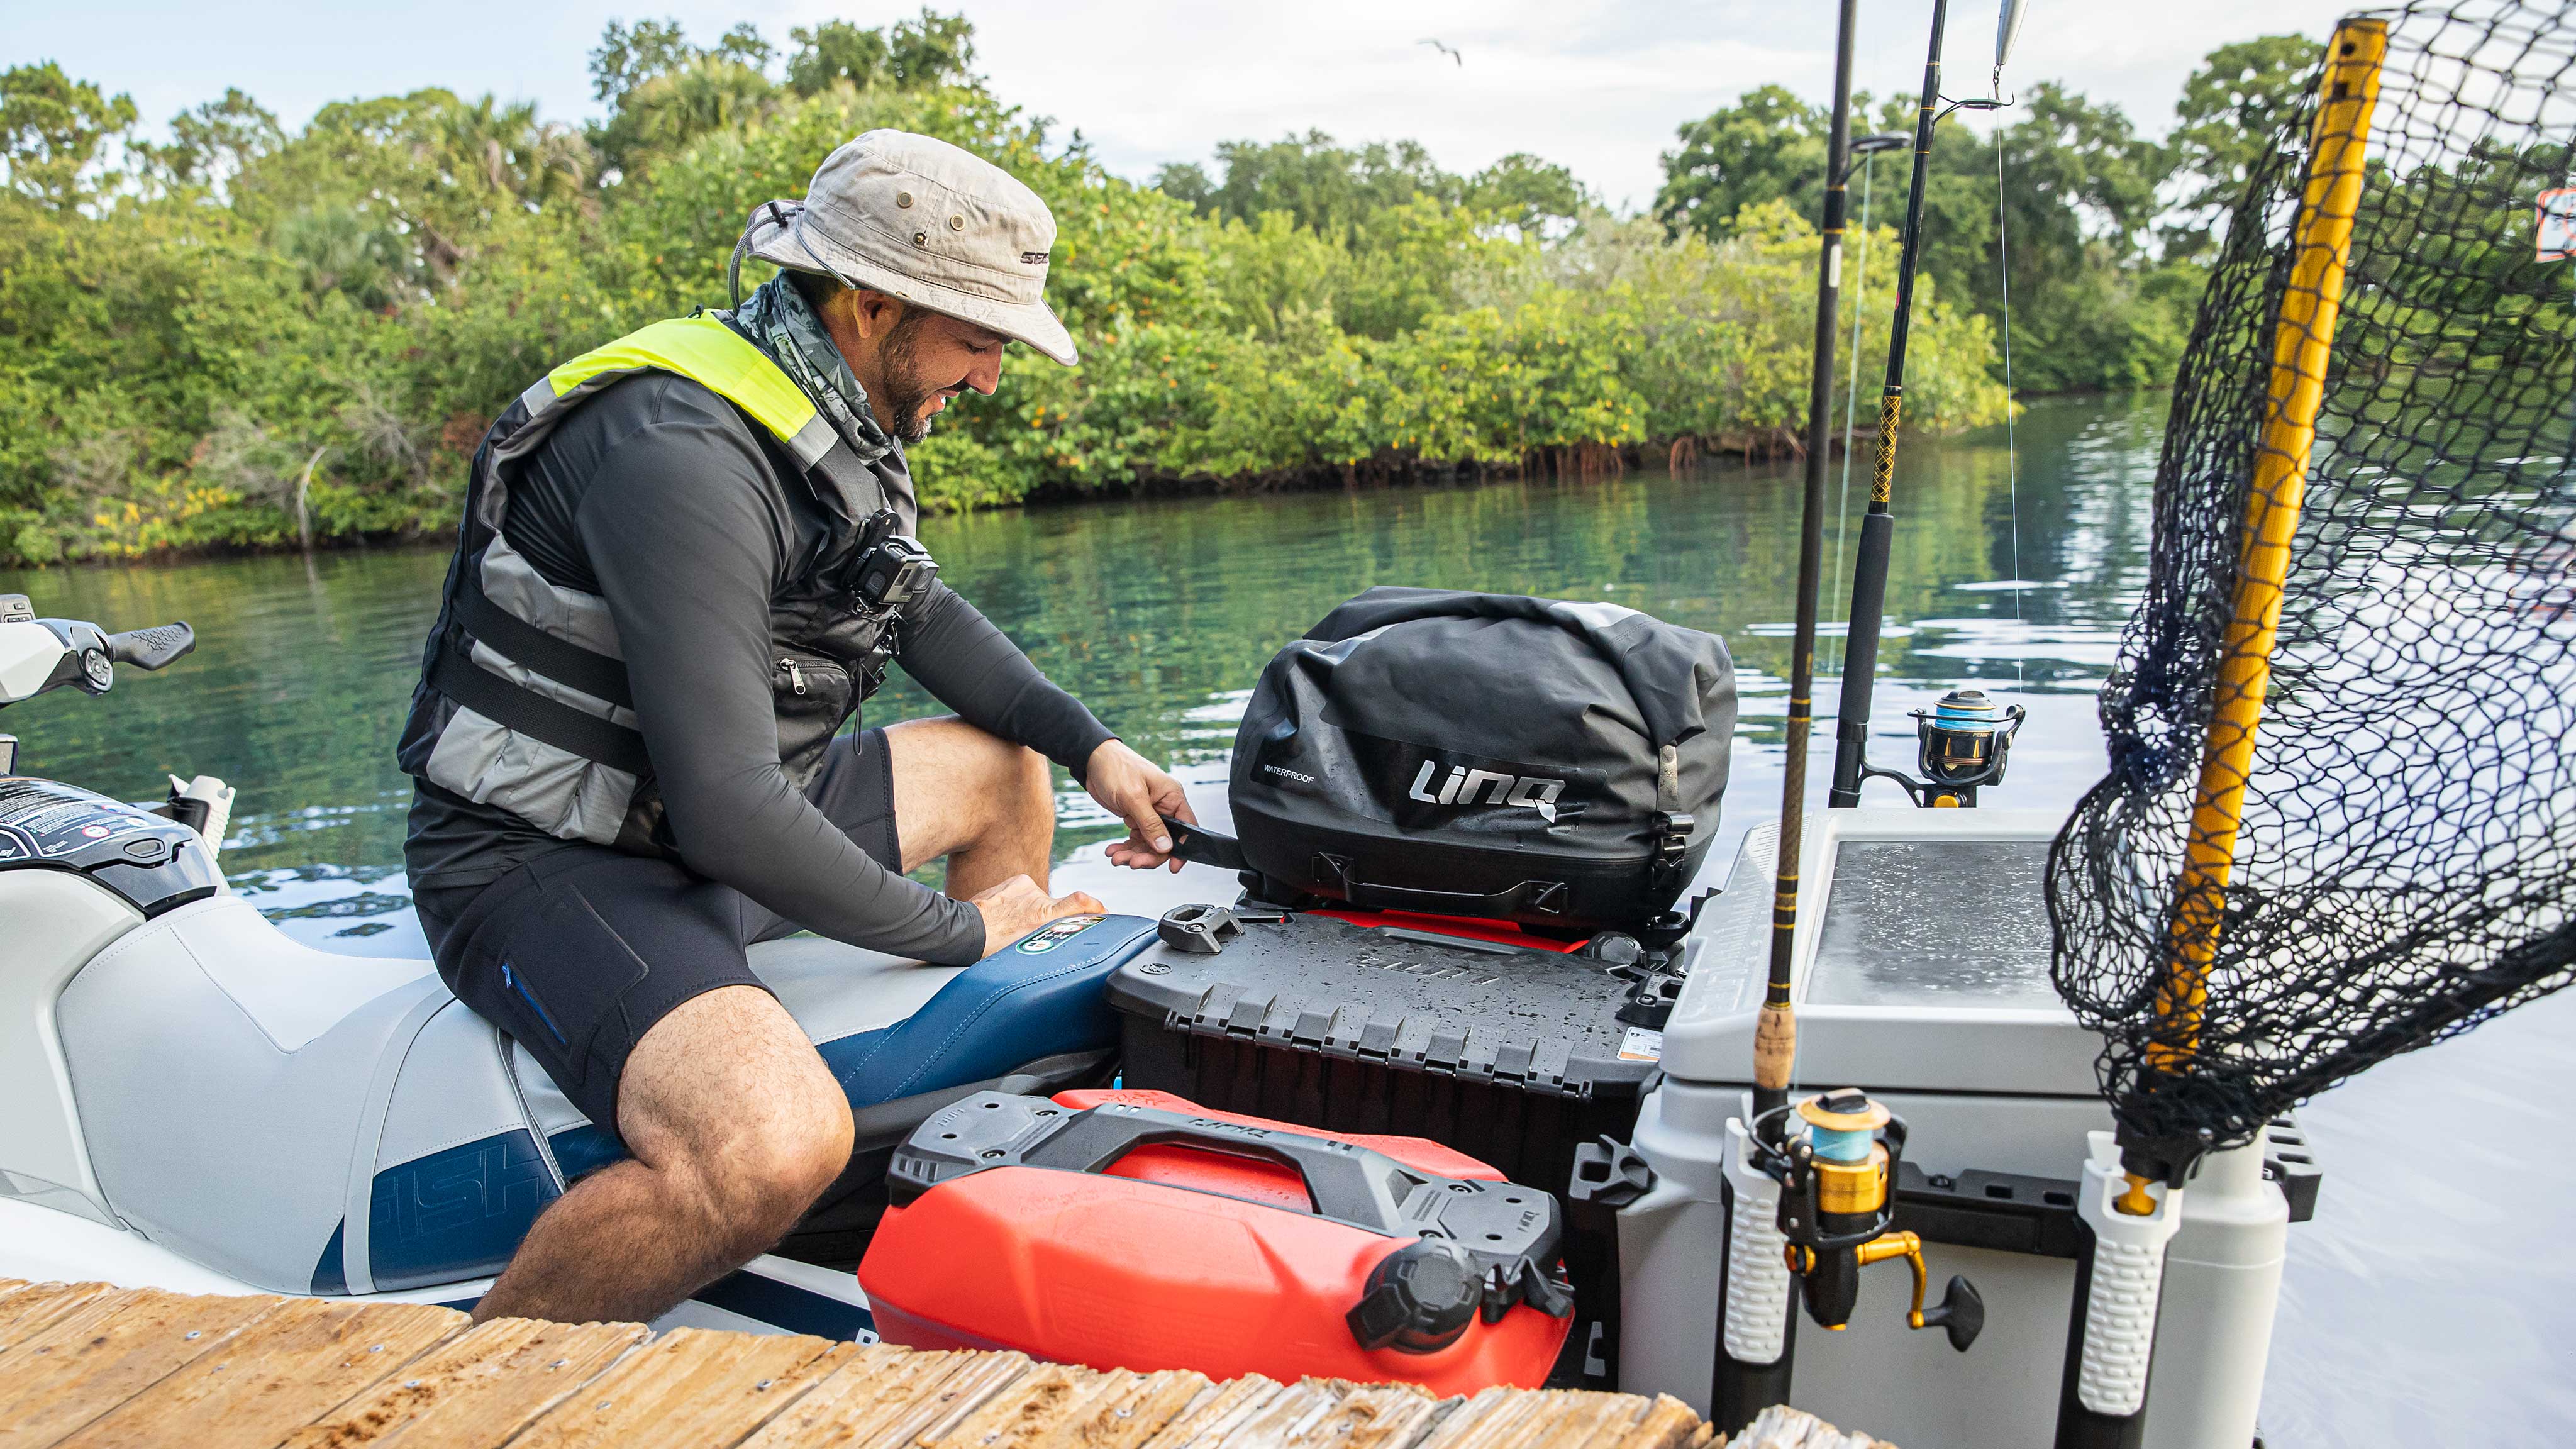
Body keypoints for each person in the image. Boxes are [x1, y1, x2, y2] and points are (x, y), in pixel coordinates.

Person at [394, 129, 1195, 1324]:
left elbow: (917, 607)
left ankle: (941, 1171)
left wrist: (1094, 747)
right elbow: (727, 806)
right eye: (979, 340)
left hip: (713, 821)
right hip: (550, 863)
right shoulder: (676, 451)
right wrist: (961, 930)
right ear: (874, 307)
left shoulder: (820, 407)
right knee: (769, 1147)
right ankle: (471, 1382)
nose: (988, 378)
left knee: (1002, 768)